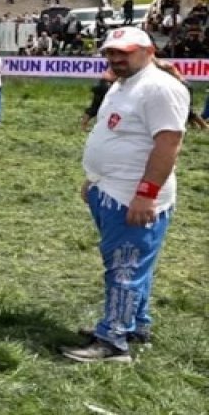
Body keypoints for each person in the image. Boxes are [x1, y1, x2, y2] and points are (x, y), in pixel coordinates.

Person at [61, 27, 189, 363]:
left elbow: (169, 144)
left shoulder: (160, 88)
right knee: (130, 265)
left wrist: (146, 194)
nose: (116, 58)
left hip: (134, 195)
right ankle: (134, 325)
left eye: (125, 52)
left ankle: (113, 341)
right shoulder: (123, 84)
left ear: (148, 51)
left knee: (124, 268)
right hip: (110, 189)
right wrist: (95, 179)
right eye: (111, 52)